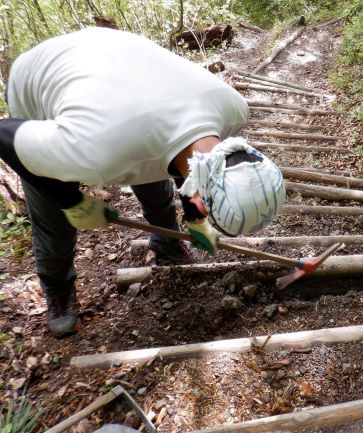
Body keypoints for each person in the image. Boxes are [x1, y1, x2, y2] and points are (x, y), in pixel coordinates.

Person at [0, 28, 286, 337]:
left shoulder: (234, 109)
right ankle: (58, 289)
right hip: (41, 80)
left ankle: (166, 241)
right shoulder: (94, 153)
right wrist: (71, 201)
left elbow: (194, 159)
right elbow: (4, 135)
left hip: (124, 74)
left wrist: (195, 219)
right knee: (53, 213)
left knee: (151, 159)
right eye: (207, 211)